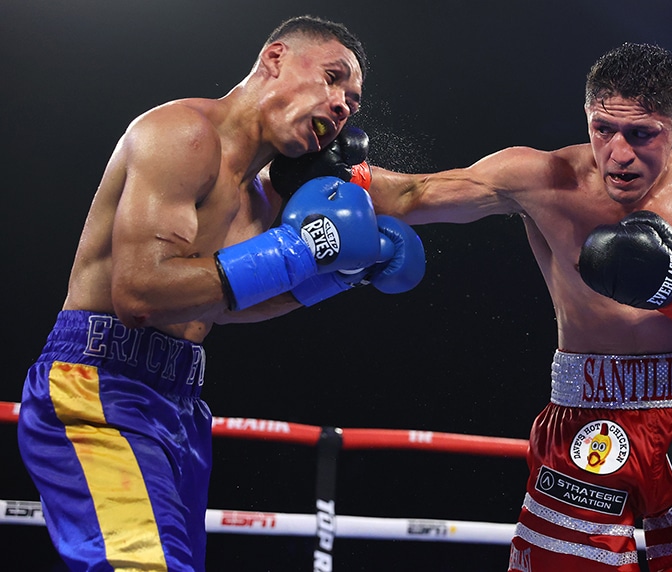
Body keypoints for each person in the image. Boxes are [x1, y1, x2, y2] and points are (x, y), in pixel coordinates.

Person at [271, 42, 672, 571]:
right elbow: (413, 195)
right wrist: (325, 173)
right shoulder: (541, 178)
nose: (619, 153)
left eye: (642, 134)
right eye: (603, 129)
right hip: (588, 417)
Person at [17, 15, 424, 571]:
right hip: (97, 385)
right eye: (333, 78)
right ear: (275, 58)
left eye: (352, 101)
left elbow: (227, 301)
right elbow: (140, 295)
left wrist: (335, 276)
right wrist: (304, 250)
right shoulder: (184, 134)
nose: (342, 105)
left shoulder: (260, 199)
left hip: (179, 404)